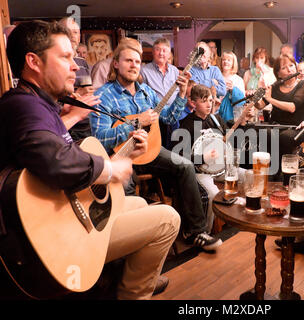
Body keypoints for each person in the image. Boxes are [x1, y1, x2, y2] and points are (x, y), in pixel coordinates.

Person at [0, 20, 179, 300]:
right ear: (33, 61)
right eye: (65, 57)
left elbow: (50, 148)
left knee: (139, 202)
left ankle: (127, 277)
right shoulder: (23, 105)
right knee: (168, 219)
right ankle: (133, 293)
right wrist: (108, 169)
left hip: (66, 212)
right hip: (51, 238)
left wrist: (71, 121)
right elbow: (56, 160)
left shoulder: (39, 105)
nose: (75, 66)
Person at [89, 40, 222, 252]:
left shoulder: (146, 92)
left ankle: (195, 232)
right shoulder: (104, 96)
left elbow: (168, 119)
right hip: (123, 157)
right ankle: (136, 245)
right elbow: (99, 137)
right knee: (125, 185)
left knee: (185, 166)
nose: (134, 65)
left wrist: (180, 94)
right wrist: (136, 123)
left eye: (137, 61)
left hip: (151, 151)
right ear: (115, 64)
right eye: (128, 61)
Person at [179, 84, 248, 232]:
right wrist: (203, 157)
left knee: (249, 175)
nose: (209, 104)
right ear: (193, 103)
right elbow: (181, 158)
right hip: (200, 172)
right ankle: (206, 232)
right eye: (204, 101)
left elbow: (228, 141)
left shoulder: (216, 120)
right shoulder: (186, 125)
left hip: (221, 169)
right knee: (212, 194)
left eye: (210, 100)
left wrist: (241, 122)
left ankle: (242, 219)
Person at [259, 54, 304, 173]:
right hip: (275, 125)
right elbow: (260, 105)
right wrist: (256, 96)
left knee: (284, 137)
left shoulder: (303, 84)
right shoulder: (276, 86)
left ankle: (281, 174)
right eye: (284, 68)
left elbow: (292, 107)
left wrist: (271, 99)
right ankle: (267, 173)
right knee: (263, 133)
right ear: (278, 73)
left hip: (295, 128)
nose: (289, 70)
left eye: (291, 65)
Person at [140, 37, 181, 149]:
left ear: (169, 54)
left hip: (173, 116)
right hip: (155, 119)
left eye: (164, 50)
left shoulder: (175, 71)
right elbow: (140, 95)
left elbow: (179, 93)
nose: (161, 53)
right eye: (158, 50)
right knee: (158, 149)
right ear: (153, 52)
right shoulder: (143, 71)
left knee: (175, 149)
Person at [58, 17, 94, 141]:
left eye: (76, 32)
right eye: (69, 31)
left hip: (86, 123)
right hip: (65, 124)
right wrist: (77, 94)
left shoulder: (82, 62)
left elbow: (88, 89)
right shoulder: (56, 61)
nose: (73, 35)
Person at [218, 51, 246, 122]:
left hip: (232, 116)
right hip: (216, 112)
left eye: (229, 60)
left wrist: (233, 89)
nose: (226, 62)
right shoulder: (216, 76)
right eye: (224, 60)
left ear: (233, 63)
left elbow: (242, 101)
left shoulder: (238, 80)